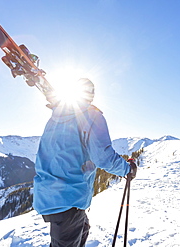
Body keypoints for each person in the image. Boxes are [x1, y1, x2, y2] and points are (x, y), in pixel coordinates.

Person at [33, 78, 137, 247]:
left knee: (83, 229)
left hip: (49, 194)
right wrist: (127, 169)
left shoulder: (56, 118)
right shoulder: (91, 116)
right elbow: (103, 157)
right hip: (68, 197)